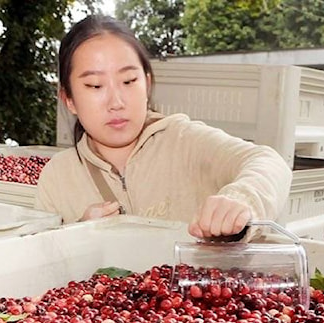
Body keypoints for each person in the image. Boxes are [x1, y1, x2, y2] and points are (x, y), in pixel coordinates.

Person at [36, 15, 292, 239]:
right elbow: (40, 266)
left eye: (128, 80)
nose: (116, 102)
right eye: (94, 86)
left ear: (146, 84)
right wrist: (79, 235)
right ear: (68, 99)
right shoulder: (57, 178)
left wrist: (241, 199)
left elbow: (269, 162)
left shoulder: (184, 141)